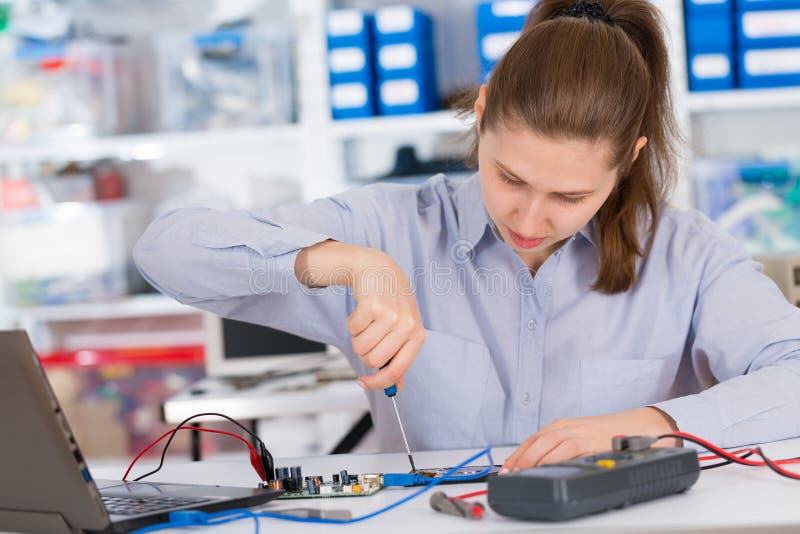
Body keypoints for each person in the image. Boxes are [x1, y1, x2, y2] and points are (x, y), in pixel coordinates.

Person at [134, 0, 800, 472]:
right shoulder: (392, 227)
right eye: (509, 176)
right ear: (481, 114)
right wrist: (350, 263)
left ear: (627, 160)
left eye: (570, 196)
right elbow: (166, 250)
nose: (530, 220)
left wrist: (650, 427)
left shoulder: (690, 255)